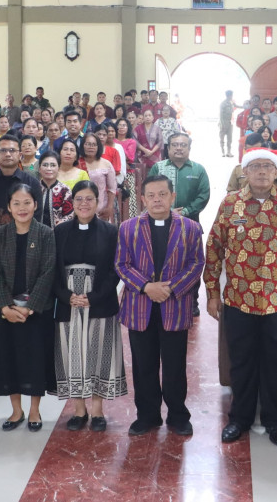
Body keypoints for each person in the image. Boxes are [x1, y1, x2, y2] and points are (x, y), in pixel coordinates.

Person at [205, 148, 277, 447]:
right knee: (241, 361)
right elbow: (213, 249)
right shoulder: (230, 204)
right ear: (245, 172)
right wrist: (212, 293)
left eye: (267, 166)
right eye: (255, 166)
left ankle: (275, 420)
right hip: (239, 299)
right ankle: (239, 418)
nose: (262, 171)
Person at [116, 174, 204, 437]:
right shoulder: (128, 228)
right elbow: (121, 264)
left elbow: (196, 264)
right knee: (143, 365)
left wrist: (170, 288)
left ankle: (178, 416)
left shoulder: (190, 228)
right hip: (139, 306)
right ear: (143, 199)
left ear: (172, 197)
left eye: (162, 194)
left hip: (174, 305)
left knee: (175, 365)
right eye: (151, 195)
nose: (157, 200)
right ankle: (147, 416)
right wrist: (146, 287)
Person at [51, 181, 126, 431]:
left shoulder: (110, 231)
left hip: (99, 301)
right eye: (79, 199)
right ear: (72, 202)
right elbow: (52, 270)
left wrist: (93, 297)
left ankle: (97, 410)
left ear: (98, 201)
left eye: (89, 199)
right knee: (72, 355)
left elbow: (115, 271)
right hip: (69, 302)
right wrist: (66, 296)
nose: (84, 204)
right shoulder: (60, 231)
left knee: (98, 354)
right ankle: (78, 410)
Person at [0, 183, 57, 432]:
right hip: (7, 310)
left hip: (35, 311)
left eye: (27, 202)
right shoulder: (0, 234)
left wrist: (30, 307)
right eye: (16, 203)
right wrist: (4, 306)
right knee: (9, 360)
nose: (22, 208)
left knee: (35, 360)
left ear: (35, 205)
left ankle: (35, 410)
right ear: (9, 207)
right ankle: (16, 411)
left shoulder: (46, 233)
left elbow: (48, 272)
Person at [0, 134, 44, 226]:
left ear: (20, 155)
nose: (7, 154)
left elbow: (36, 217)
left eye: (12, 150)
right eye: (3, 150)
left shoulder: (32, 183)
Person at [148, 132, 210, 225]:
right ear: (168, 148)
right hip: (161, 220)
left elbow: (203, 196)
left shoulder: (198, 169)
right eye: (174, 145)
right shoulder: (158, 168)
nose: (179, 148)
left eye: (183, 145)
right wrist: (169, 211)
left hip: (190, 221)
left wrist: (185, 211)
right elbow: (149, 193)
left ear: (189, 148)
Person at [79, 133, 117, 222]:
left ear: (98, 147)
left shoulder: (106, 164)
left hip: (101, 209)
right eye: (88, 144)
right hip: (80, 208)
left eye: (94, 145)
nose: (91, 147)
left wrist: (109, 207)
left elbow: (112, 188)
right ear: (83, 146)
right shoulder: (77, 164)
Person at [219, 90, 236, 157]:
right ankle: (223, 152)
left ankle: (229, 152)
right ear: (228, 95)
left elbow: (236, 106)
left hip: (230, 122)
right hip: (224, 122)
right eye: (231, 95)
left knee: (229, 138)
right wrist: (222, 124)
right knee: (222, 138)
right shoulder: (223, 103)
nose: (231, 96)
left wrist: (244, 106)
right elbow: (220, 115)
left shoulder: (231, 102)